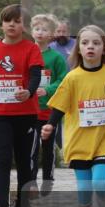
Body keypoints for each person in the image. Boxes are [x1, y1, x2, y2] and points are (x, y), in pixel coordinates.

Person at [41, 25, 105, 207]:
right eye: (85, 43)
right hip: (79, 142)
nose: (90, 46)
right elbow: (60, 106)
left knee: (100, 183)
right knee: (84, 194)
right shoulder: (72, 78)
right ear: (79, 49)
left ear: (104, 48)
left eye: (96, 43)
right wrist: (50, 125)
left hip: (103, 141)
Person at [0, 5, 43, 207]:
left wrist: (28, 92)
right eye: (8, 20)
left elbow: (35, 75)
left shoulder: (31, 48)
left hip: (26, 114)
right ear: (1, 24)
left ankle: (21, 206)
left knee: (24, 162)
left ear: (24, 26)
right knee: (1, 159)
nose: (12, 24)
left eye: (18, 21)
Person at [29, 14, 67, 188]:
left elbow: (63, 79)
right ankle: (30, 180)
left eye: (44, 30)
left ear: (51, 34)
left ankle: (48, 179)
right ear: (31, 31)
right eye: (37, 29)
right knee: (31, 147)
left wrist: (48, 89)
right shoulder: (27, 52)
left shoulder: (56, 57)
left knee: (48, 146)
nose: (40, 32)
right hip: (30, 109)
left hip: (49, 109)